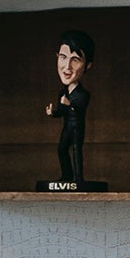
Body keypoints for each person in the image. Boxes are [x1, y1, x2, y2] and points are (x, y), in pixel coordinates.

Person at [44, 31, 94, 189]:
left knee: (76, 151)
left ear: (87, 66)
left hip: (77, 127)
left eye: (76, 60)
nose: (67, 66)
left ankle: (78, 179)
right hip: (67, 127)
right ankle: (67, 175)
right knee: (61, 149)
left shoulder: (82, 94)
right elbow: (62, 110)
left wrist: (68, 105)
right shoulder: (63, 92)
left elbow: (78, 108)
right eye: (63, 57)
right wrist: (54, 113)